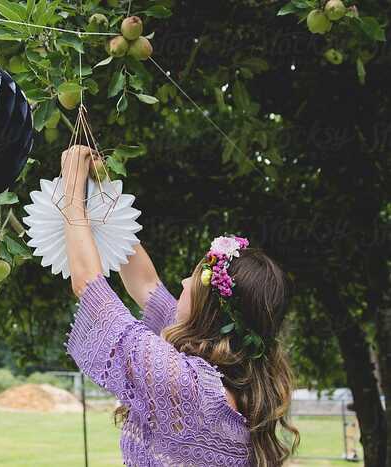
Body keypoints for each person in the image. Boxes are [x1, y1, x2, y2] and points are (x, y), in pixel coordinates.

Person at [61, 145, 300, 466]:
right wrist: (102, 196)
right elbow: (146, 285)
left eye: (191, 279)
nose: (184, 285)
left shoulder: (186, 387)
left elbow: (89, 285)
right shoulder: (223, 384)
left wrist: (72, 193)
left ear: (210, 309)